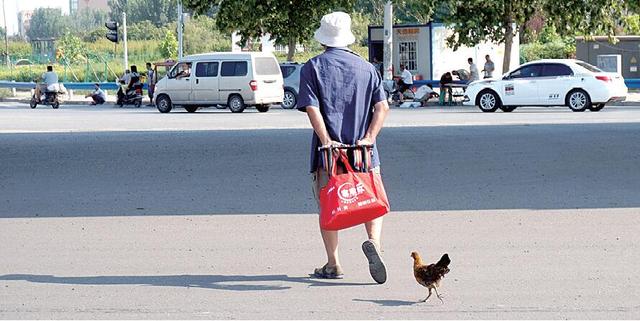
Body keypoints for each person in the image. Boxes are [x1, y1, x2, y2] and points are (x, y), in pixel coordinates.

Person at [298, 11, 390, 283]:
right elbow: (382, 108)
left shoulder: (312, 67)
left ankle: (333, 263)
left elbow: (312, 108)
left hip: (330, 154)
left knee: (328, 204)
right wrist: (369, 137)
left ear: (324, 38)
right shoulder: (368, 68)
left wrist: (326, 139)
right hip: (364, 152)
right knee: (371, 201)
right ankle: (374, 242)